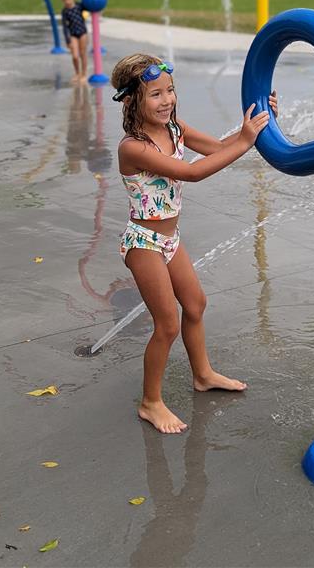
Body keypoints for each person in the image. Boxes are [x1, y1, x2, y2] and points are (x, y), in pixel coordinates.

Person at [111, 54, 278, 434]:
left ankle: (202, 374)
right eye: (155, 94)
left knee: (196, 304)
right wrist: (246, 141)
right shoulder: (132, 148)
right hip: (145, 243)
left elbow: (219, 147)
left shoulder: (174, 129)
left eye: (169, 90)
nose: (166, 99)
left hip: (170, 239)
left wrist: (257, 125)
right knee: (167, 324)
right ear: (131, 100)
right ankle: (150, 402)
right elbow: (192, 172)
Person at [60, 0, 88, 82]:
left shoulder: (79, 6)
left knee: (83, 53)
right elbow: (64, 27)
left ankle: (84, 74)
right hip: (73, 35)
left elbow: (89, 6)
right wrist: (67, 41)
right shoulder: (65, 11)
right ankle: (77, 73)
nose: (67, 1)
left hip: (82, 33)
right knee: (75, 56)